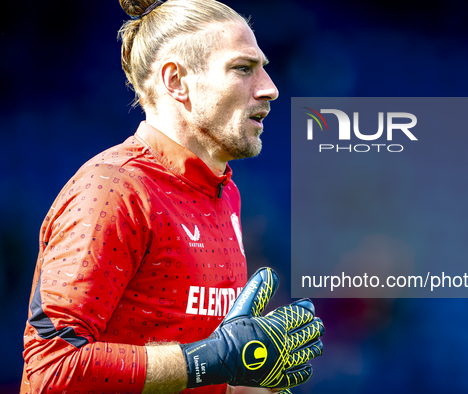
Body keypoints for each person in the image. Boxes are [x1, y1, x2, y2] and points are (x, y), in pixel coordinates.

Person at [21, 1, 324, 393]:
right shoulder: (113, 190)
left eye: (263, 68)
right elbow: (53, 369)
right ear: (176, 81)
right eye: (243, 68)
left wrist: (249, 375)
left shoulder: (224, 193)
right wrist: (211, 359)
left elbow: (208, 368)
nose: (270, 87)